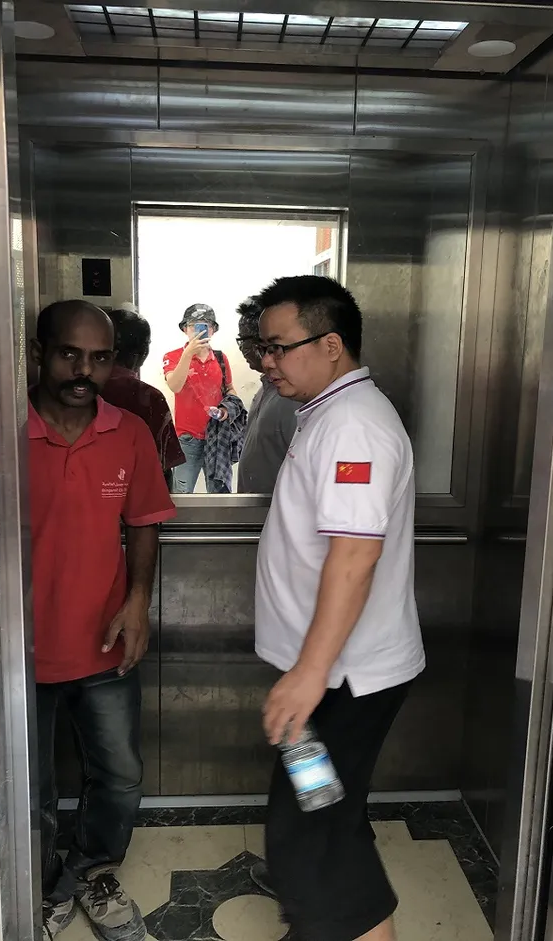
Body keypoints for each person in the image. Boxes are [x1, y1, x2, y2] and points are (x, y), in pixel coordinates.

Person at [253, 276, 426, 941]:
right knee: (327, 816)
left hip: (345, 679)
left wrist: (307, 675)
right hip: (331, 672)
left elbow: (353, 558)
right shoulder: (330, 412)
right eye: (261, 347)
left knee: (308, 831)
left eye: (277, 347)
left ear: (329, 344)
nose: (266, 361)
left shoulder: (353, 425)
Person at [28, 300, 176, 941]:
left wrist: (138, 602)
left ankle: (89, 873)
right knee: (27, 786)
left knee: (119, 774)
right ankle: (36, 884)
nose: (84, 370)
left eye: (99, 357)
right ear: (40, 352)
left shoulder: (130, 432)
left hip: (105, 639)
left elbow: (143, 522)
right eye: (69, 353)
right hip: (18, 649)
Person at [102, 305, 185, 487]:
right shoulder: (149, 398)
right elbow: (163, 466)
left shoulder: (84, 390)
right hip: (136, 498)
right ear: (143, 353)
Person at [162, 303, 238, 493]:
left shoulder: (221, 359)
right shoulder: (173, 357)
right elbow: (174, 385)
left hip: (217, 436)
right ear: (185, 329)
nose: (199, 329)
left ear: (213, 330)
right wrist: (188, 354)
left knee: (219, 493)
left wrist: (227, 410)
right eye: (194, 325)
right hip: (186, 438)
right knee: (181, 494)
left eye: (205, 325)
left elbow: (230, 390)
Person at [235, 296, 299, 494]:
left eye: (243, 340)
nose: (242, 348)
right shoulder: (266, 388)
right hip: (256, 518)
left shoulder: (292, 399)